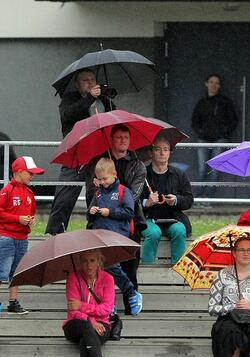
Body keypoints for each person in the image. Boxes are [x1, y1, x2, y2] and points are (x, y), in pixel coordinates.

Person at [85, 124, 146, 313]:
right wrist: (98, 190)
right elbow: (89, 196)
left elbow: (133, 197)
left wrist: (109, 199)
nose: (123, 141)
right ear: (112, 139)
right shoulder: (99, 162)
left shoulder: (137, 164)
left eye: (126, 137)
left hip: (126, 228)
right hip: (100, 230)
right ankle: (109, 305)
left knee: (126, 267)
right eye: (119, 137)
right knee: (103, 267)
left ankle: (131, 299)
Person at [46, 68, 116, 235]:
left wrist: (106, 100)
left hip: (97, 154)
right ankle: (55, 231)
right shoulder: (69, 99)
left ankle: (95, 229)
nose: (91, 83)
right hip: (74, 152)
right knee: (65, 194)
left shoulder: (104, 100)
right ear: (77, 84)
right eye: (85, 80)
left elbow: (114, 119)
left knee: (96, 192)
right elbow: (69, 115)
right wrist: (89, 98)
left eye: (93, 79)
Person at [0, 156, 44, 314]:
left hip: (22, 239)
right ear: (19, 172)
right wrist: (18, 219)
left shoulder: (29, 193)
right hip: (7, 237)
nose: (32, 176)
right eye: (30, 173)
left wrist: (30, 220)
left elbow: (31, 212)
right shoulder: (7, 190)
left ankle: (13, 302)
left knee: (16, 272)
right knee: (2, 270)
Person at [63, 249, 117, 357]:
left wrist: (81, 306)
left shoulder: (108, 279)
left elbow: (106, 308)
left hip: (101, 325)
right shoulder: (73, 277)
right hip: (74, 324)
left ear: (99, 261)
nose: (88, 265)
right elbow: (72, 311)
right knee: (86, 324)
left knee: (85, 341)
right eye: (85, 261)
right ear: (80, 262)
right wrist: (91, 320)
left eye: (92, 261)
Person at [141, 134, 194, 264]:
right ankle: (147, 273)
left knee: (180, 230)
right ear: (151, 152)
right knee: (153, 234)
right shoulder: (142, 174)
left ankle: (178, 273)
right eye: (157, 149)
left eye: (165, 149)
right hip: (149, 219)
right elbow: (132, 200)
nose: (162, 153)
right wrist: (147, 202)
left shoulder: (179, 174)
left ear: (170, 153)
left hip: (173, 219)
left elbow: (189, 199)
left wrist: (176, 200)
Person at [191, 73, 237, 197]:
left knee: (215, 170)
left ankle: (209, 198)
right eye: (211, 82)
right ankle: (199, 198)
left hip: (220, 139)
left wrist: (224, 132)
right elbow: (195, 121)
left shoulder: (225, 102)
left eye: (216, 83)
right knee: (202, 169)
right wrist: (201, 132)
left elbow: (233, 120)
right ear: (206, 84)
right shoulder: (201, 103)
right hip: (203, 139)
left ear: (220, 86)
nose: (213, 85)